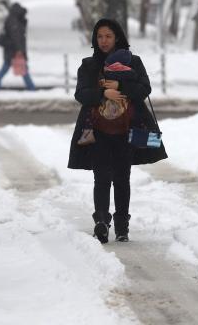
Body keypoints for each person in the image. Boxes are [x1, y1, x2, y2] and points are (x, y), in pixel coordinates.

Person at [68, 18, 168, 243]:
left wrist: (120, 86)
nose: (103, 41)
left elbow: (144, 89)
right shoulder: (89, 64)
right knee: (101, 177)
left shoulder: (134, 61)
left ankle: (122, 226)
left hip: (127, 130)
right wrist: (103, 93)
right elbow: (81, 94)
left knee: (123, 178)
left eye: (108, 36)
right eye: (99, 36)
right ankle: (101, 222)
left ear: (118, 38)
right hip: (97, 131)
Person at [0, 2, 36, 91]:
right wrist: (19, 50)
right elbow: (17, 37)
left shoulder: (12, 19)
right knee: (20, 69)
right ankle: (31, 88)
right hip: (14, 51)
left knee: (10, 68)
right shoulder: (14, 21)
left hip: (11, 50)